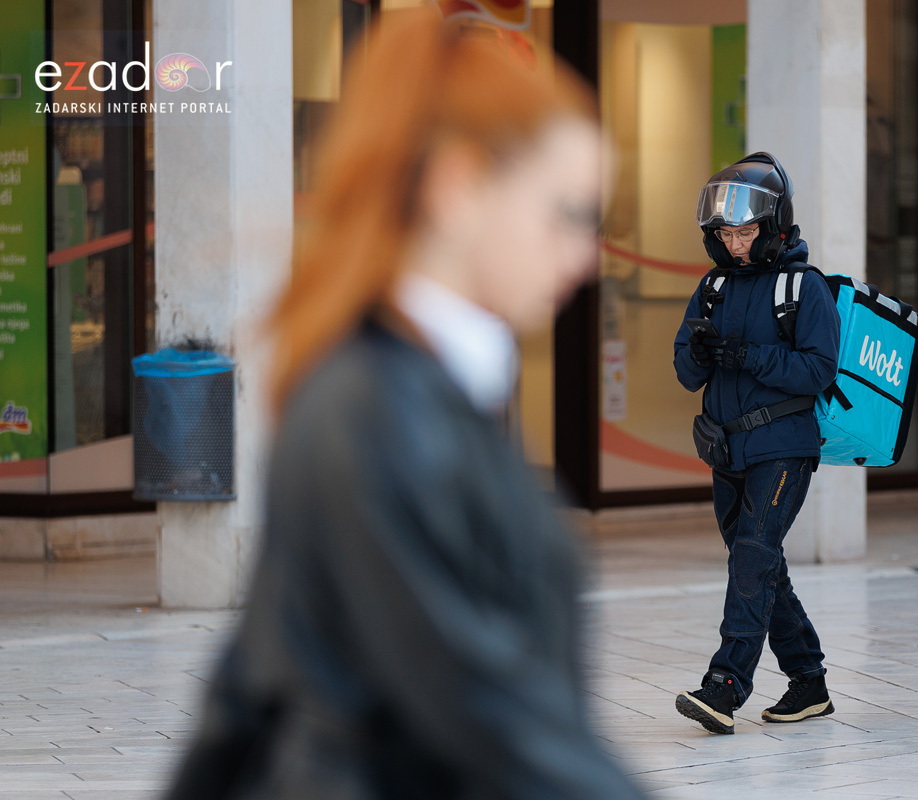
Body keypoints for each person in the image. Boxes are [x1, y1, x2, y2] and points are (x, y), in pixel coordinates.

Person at [163, 9, 645, 799]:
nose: (588, 255)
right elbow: (489, 707)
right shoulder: (376, 413)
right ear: (459, 189)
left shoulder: (413, 394)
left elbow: (248, 691)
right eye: (568, 212)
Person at [671, 153, 840, 735]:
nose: (736, 243)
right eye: (726, 232)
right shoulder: (713, 287)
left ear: (773, 228)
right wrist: (699, 353)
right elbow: (685, 372)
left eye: (746, 232)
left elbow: (819, 370)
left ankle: (725, 686)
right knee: (761, 565)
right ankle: (809, 682)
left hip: (785, 448)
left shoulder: (804, 286)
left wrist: (748, 356)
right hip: (727, 450)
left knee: (752, 557)